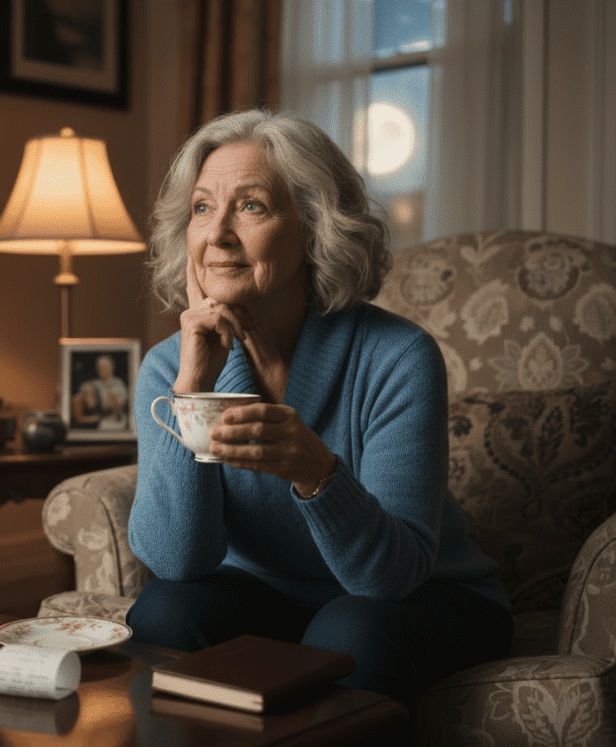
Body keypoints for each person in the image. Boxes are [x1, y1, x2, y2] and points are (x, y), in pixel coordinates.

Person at [126, 109, 513, 711]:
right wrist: (190, 392)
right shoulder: (168, 367)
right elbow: (179, 562)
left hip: (424, 596)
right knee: (163, 612)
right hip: (271, 599)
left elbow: (391, 578)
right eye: (202, 208)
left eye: (250, 206)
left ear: (315, 228)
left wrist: (318, 475)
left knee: (348, 633)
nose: (217, 234)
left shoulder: (397, 357)